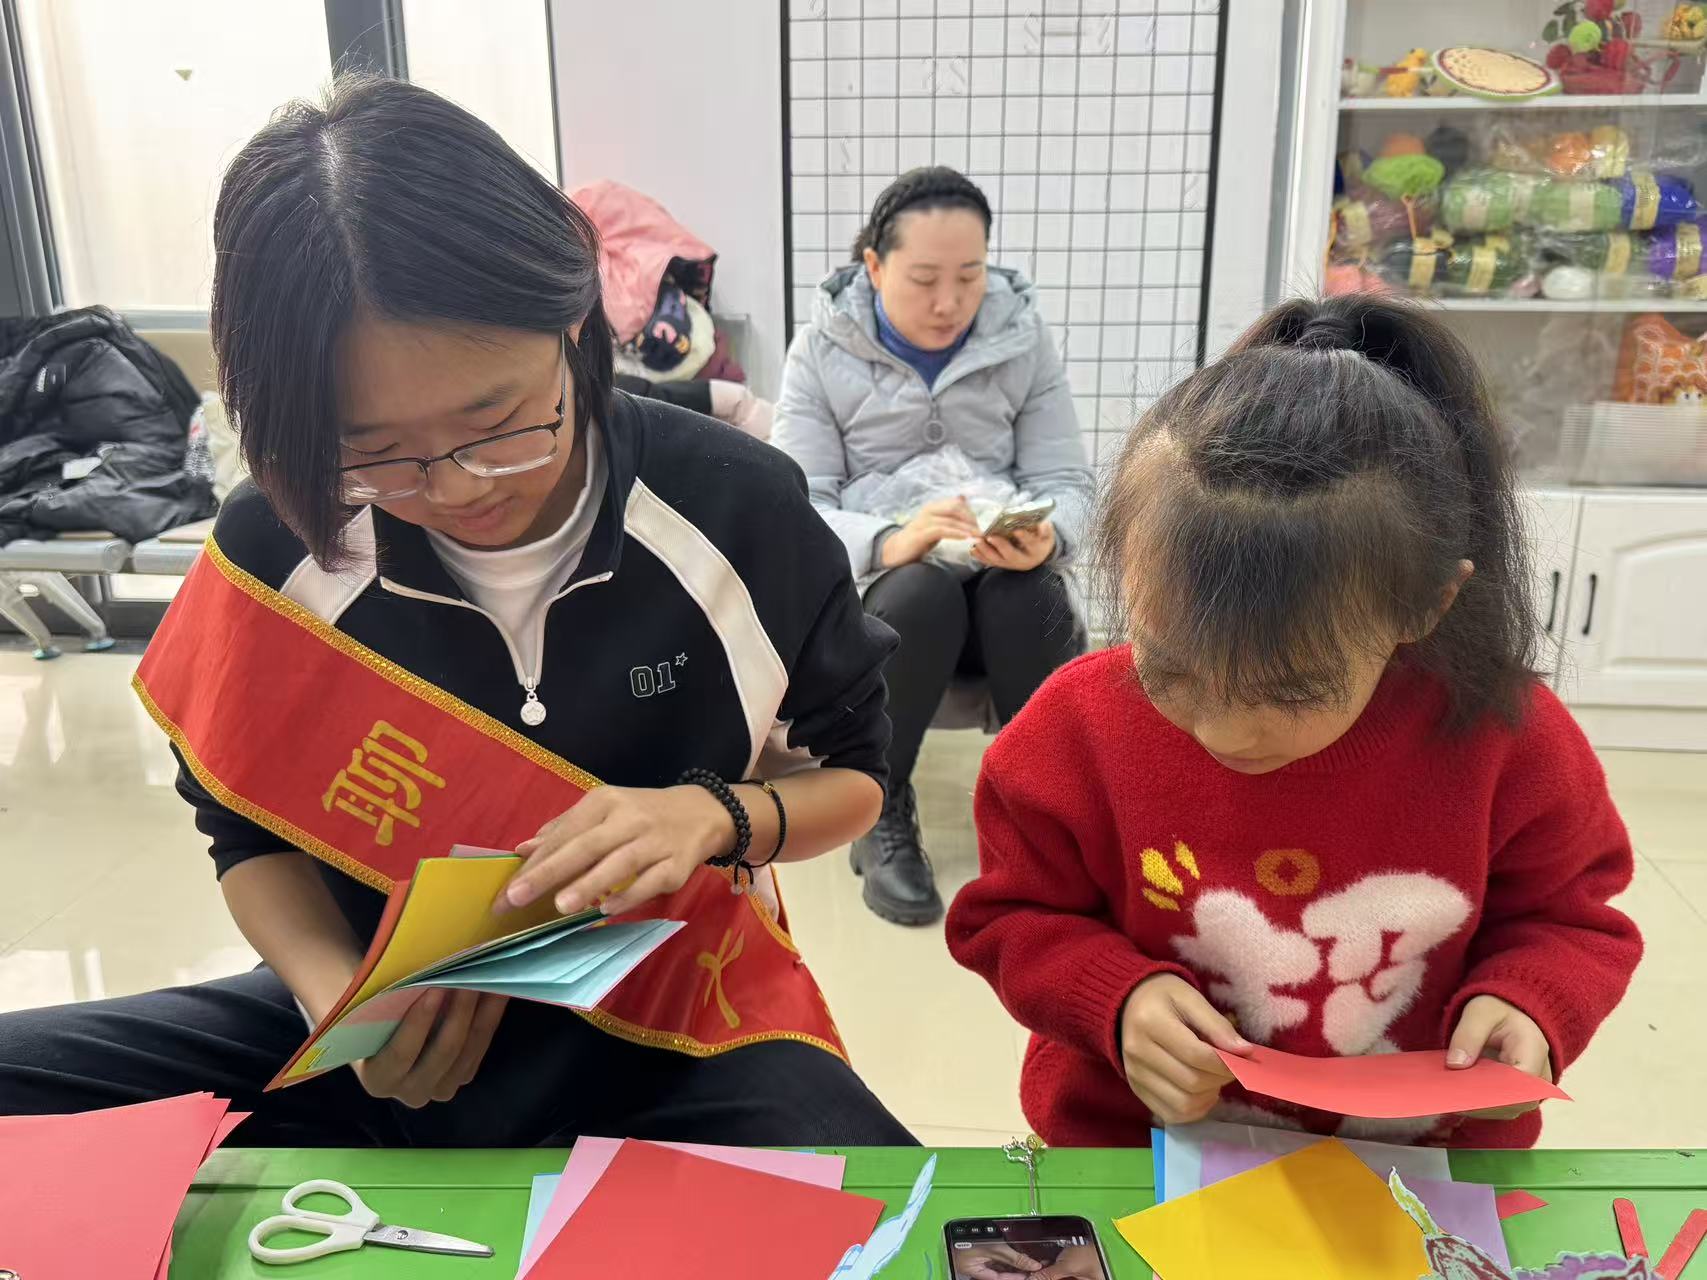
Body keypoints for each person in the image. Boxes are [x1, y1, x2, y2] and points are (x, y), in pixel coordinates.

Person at [0, 75, 914, 1149]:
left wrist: (711, 816)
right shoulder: (275, 546)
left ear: (572, 315)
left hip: (674, 1016)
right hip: (385, 1024)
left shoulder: (733, 504)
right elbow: (240, 831)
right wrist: (335, 1000)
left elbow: (855, 777)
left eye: (501, 418)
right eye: (375, 449)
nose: (460, 486)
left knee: (876, 1200)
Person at [947, 294, 1643, 1148]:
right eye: (1171, 669)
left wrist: (1529, 1005)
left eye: (1290, 691)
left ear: (1426, 604)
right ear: (1125, 572)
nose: (1222, 733)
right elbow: (1009, 917)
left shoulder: (1508, 740)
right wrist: (1113, 997)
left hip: (1414, 1163)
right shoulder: (1071, 732)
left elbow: (1571, 919)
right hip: (1141, 1147)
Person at [772, 167, 1092, 926]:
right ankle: (879, 807)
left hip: (998, 588)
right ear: (873, 266)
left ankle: (1039, 825)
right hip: (888, 603)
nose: (948, 302)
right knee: (920, 590)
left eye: (969, 276)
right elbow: (795, 507)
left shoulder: (1022, 339)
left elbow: (1067, 481)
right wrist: (889, 540)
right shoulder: (819, 350)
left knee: (1033, 594)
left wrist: (1049, 535)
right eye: (923, 280)